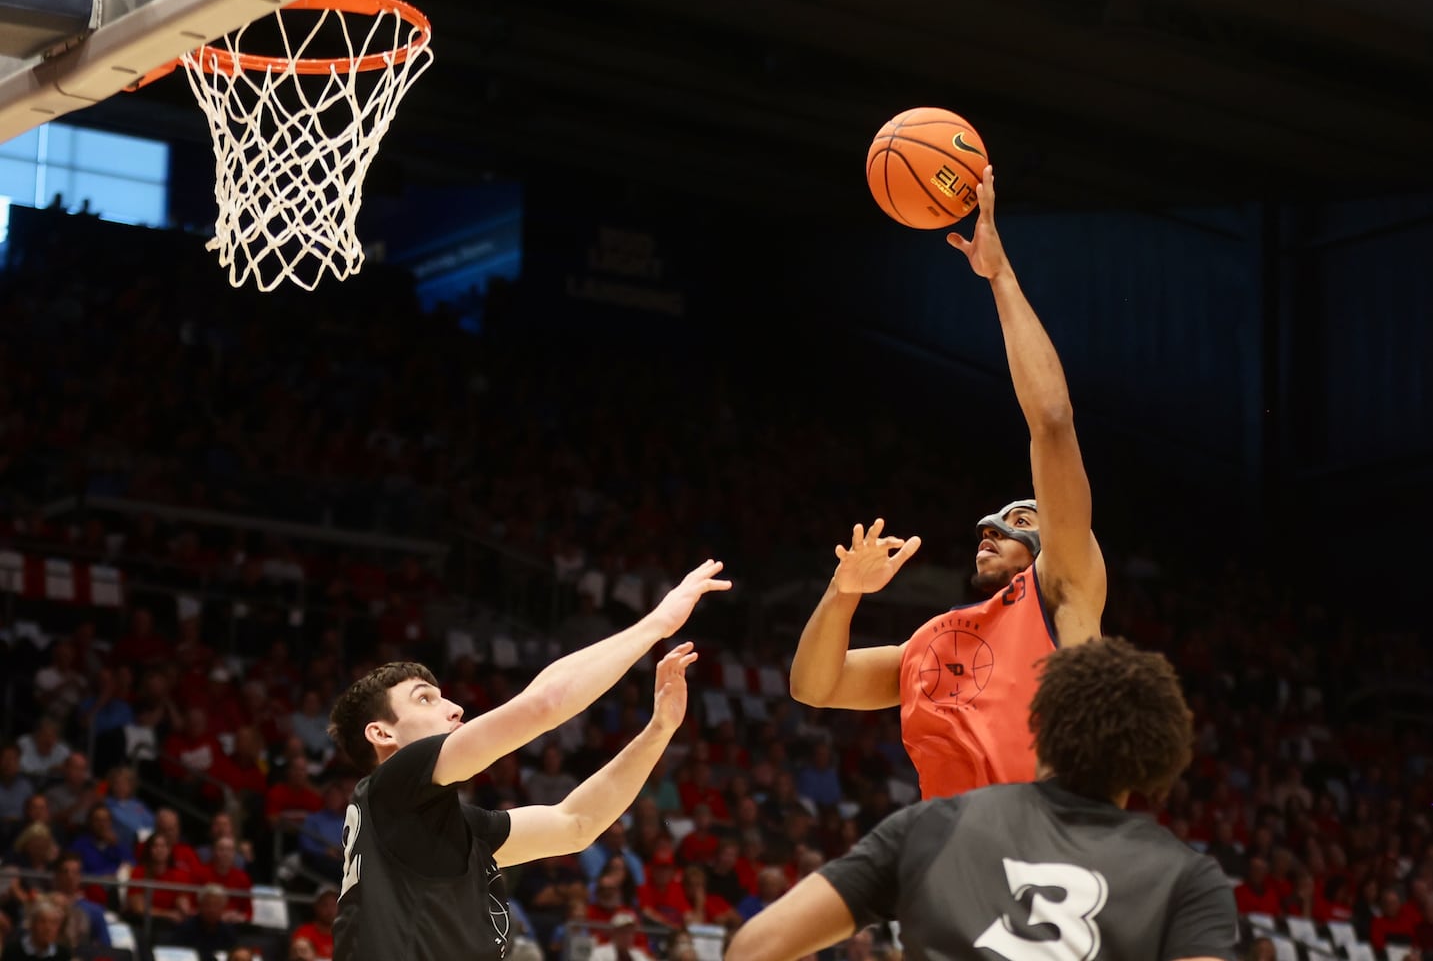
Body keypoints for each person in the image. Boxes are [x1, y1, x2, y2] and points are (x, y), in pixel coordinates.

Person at [789, 165, 1106, 800]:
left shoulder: (1063, 593)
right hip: (947, 860)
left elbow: (1051, 422)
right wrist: (843, 591)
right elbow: (814, 686)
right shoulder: (930, 644)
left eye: (1021, 519)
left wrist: (1000, 277)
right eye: (993, 519)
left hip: (1043, 848)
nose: (992, 525)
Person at [727, 638, 1236, 961]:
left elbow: (754, 948)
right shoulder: (1187, 879)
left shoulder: (930, 826)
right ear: (1160, 758)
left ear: (1039, 726)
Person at [328, 559, 729, 961]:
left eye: (443, 695)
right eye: (424, 699)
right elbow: (544, 705)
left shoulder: (438, 824)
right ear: (382, 734)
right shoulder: (393, 785)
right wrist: (658, 624)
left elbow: (576, 824)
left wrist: (658, 731)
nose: (453, 708)